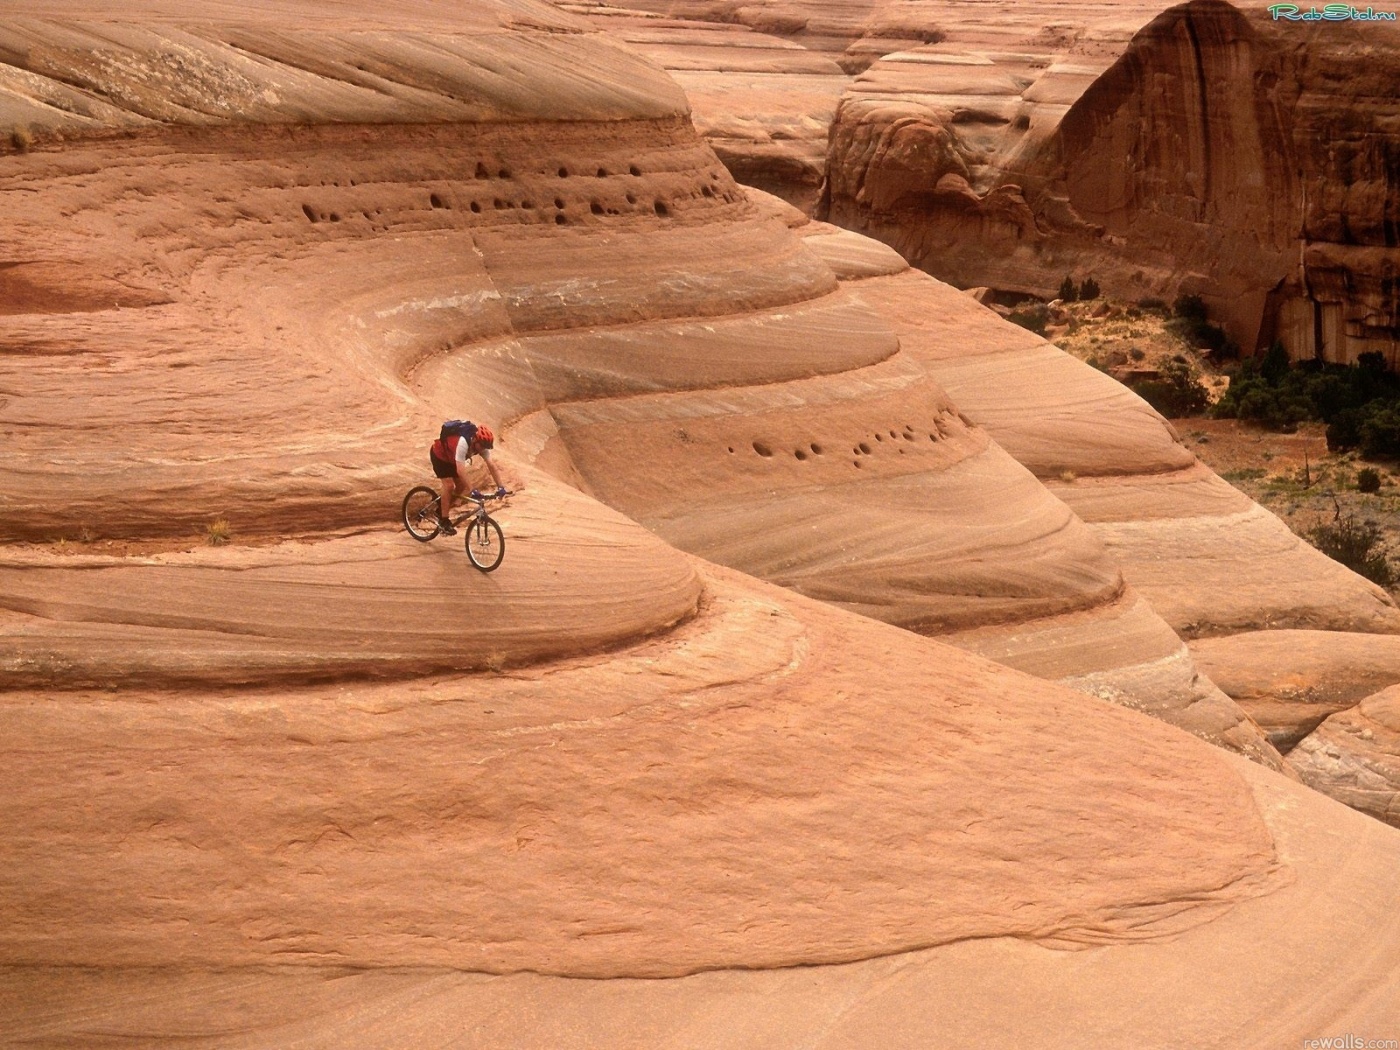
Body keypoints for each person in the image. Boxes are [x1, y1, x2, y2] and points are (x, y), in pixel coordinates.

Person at [429, 420, 505, 535]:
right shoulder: (463, 442)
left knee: (460, 487)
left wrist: (501, 487)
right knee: (449, 486)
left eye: (485, 447)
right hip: (440, 456)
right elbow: (460, 470)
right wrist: (472, 489)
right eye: (482, 445)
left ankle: (440, 508)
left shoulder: (481, 446)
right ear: (475, 440)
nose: (483, 449)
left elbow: (492, 465)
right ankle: (444, 520)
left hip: (452, 459)